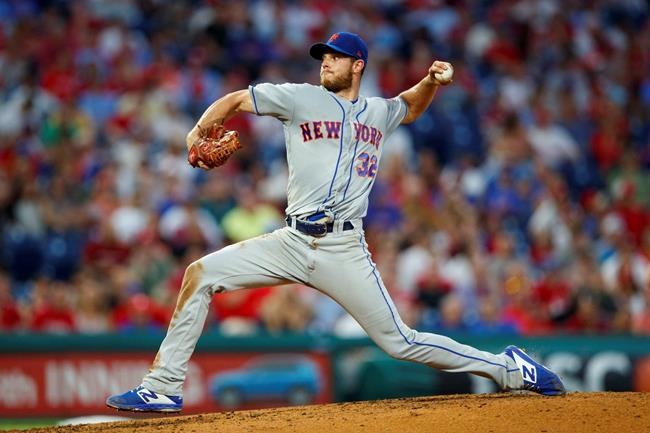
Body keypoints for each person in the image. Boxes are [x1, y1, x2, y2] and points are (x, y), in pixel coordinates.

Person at [106, 32, 565, 413]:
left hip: (344, 249)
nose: (325, 62)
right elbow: (236, 99)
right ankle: (163, 386)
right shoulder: (300, 98)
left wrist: (430, 80)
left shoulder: (378, 113)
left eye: (335, 57)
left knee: (400, 342)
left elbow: (411, 105)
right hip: (290, 239)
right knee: (200, 274)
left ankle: (509, 368)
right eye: (323, 56)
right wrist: (199, 130)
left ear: (357, 65)